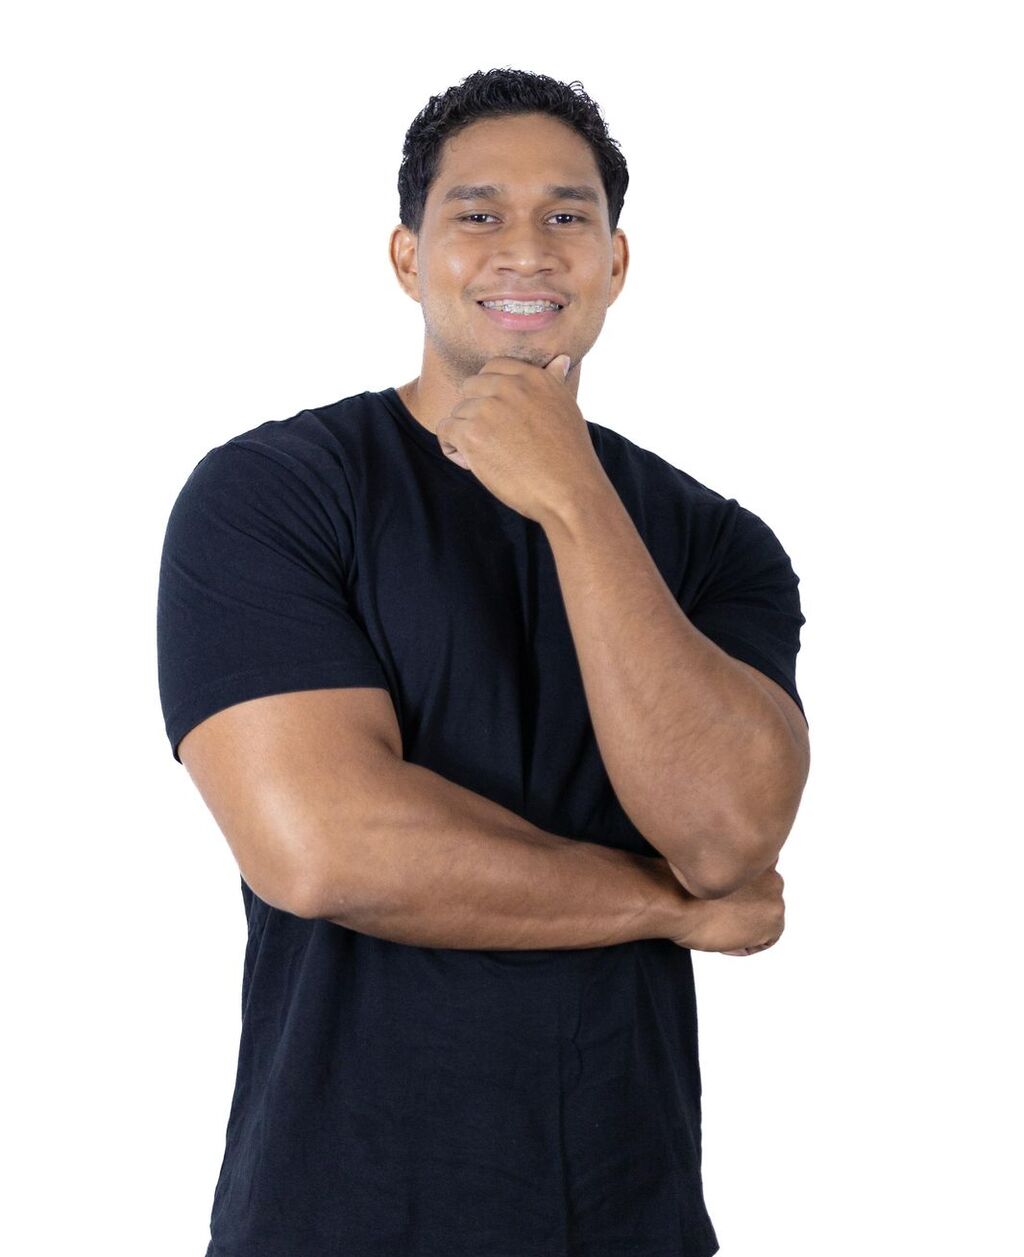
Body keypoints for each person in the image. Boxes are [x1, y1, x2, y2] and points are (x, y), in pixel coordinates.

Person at [157, 67, 810, 1257]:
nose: (527, 248)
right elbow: (322, 845)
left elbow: (726, 835)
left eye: (567, 215)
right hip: (338, 1213)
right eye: (477, 213)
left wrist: (574, 498)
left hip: (627, 1214)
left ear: (615, 263)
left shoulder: (717, 543)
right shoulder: (274, 494)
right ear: (407, 257)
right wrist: (666, 907)